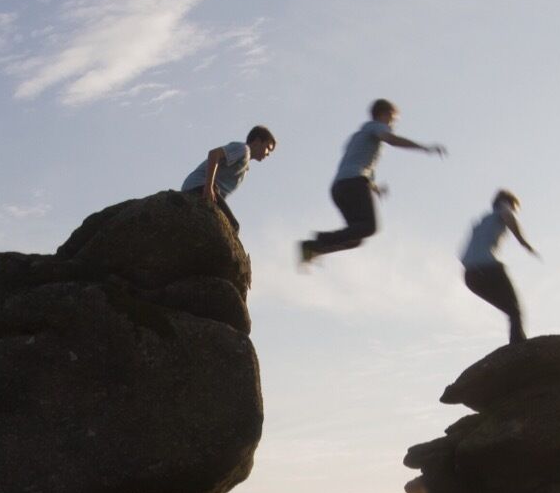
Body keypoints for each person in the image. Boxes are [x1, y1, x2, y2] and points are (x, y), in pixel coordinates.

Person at [298, 99, 446, 266]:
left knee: (357, 238)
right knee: (370, 227)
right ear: (383, 115)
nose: (392, 125)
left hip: (340, 188)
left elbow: (356, 163)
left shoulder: (358, 137)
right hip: (353, 184)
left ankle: (313, 249)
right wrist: (425, 148)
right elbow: (391, 139)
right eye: (392, 119)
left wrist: (375, 188)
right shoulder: (375, 126)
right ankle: (318, 241)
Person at [460, 189, 537, 345]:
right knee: (515, 311)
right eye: (515, 208)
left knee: (511, 311)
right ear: (508, 203)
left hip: (471, 276)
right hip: (488, 268)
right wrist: (523, 242)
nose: (514, 212)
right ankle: (519, 348)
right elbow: (507, 214)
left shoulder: (480, 222)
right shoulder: (504, 207)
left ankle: (516, 345)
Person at [181, 125, 276, 227]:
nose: (268, 154)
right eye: (268, 148)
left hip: (202, 187)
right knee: (233, 226)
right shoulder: (243, 149)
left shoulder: (245, 165)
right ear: (257, 141)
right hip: (199, 185)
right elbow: (214, 154)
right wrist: (208, 187)